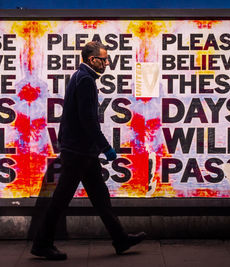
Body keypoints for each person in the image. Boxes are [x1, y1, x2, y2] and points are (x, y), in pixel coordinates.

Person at [31, 41, 146, 260]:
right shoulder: (85, 80)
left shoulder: (79, 77)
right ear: (92, 60)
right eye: (104, 59)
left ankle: (120, 239)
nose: (107, 63)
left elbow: (73, 117)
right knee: (62, 199)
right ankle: (42, 243)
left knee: (100, 197)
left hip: (80, 151)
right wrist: (106, 147)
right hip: (79, 152)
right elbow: (87, 119)